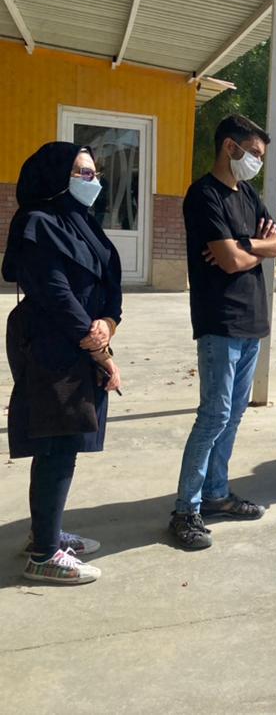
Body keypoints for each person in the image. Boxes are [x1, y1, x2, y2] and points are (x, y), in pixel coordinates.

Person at [4, 143, 122, 584]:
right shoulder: (37, 223)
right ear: (56, 176)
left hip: (82, 342)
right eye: (83, 173)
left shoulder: (82, 222)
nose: (94, 181)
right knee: (57, 444)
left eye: (94, 173)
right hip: (51, 347)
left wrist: (108, 323)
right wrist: (98, 349)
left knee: (66, 442)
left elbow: (107, 284)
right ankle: (43, 555)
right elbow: (56, 293)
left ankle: (46, 532)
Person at [170, 115, 276, 550]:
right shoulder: (203, 195)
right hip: (219, 322)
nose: (257, 161)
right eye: (254, 153)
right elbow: (229, 261)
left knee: (234, 415)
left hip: (252, 322)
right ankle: (186, 509)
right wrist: (247, 249)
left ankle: (216, 493)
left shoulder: (248, 194)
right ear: (229, 148)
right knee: (214, 416)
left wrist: (247, 244)